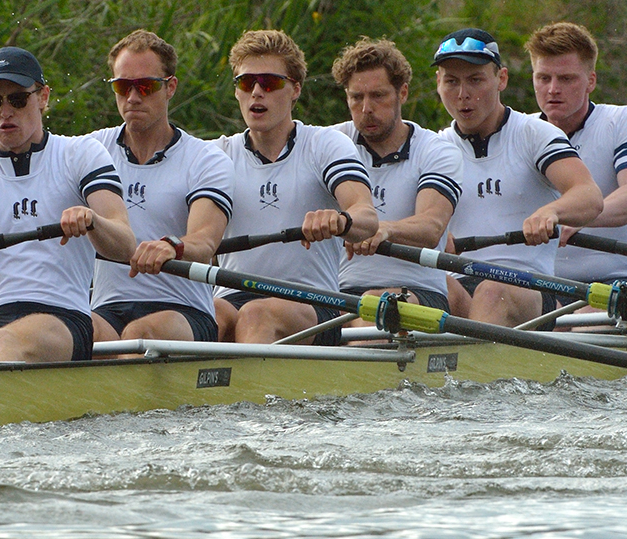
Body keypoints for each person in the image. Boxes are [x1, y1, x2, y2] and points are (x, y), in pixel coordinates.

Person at [0, 46, 136, 362]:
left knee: (6, 342)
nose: (5, 111)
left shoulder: (81, 154)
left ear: (43, 97)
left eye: (18, 99)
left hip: (64, 317)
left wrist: (93, 222)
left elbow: (125, 245)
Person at [212, 29, 379, 344]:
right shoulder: (216, 155)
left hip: (313, 303)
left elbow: (367, 218)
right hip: (232, 297)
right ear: (237, 91)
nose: (257, 92)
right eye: (246, 83)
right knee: (208, 314)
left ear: (295, 90)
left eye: (270, 83)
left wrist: (341, 221)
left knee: (256, 314)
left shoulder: (324, 144)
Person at [434, 28, 603, 326]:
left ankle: (467, 356)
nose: (462, 94)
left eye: (475, 80)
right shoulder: (435, 149)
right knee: (411, 291)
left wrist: (551, 211)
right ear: (438, 83)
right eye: (452, 82)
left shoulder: (534, 134)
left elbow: (589, 196)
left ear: (501, 79)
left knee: (491, 292)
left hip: (529, 287)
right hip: (459, 284)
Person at [92, 29, 233, 344]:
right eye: (122, 86)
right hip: (107, 309)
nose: (133, 97)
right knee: (76, 327)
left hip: (184, 311)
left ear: (170, 87)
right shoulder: (91, 151)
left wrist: (173, 246)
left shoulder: (205, 159)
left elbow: (204, 242)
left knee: (138, 335)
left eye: (145, 86)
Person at [330, 37, 465, 319]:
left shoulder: (436, 151)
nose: (366, 108)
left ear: (402, 93)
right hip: (338, 291)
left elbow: (431, 227)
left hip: (418, 290)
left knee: (374, 304)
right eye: (356, 97)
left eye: (378, 96)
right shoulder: (330, 143)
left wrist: (383, 229)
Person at [525, 22, 627, 294]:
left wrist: (578, 216)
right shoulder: (520, 131)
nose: (553, 89)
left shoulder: (623, 120)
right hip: (543, 284)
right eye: (544, 78)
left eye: (566, 79)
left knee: (580, 320)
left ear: (591, 81)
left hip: (619, 279)